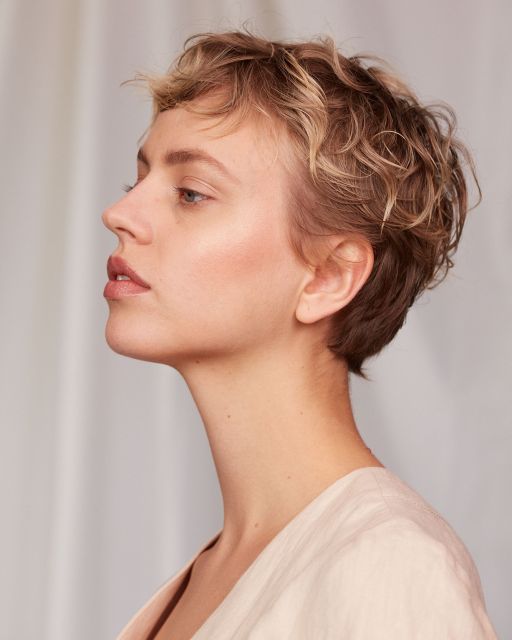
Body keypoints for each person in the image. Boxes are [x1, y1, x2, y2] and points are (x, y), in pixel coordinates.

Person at [102, 28, 498, 640]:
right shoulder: (218, 570)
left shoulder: (387, 569)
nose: (120, 214)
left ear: (328, 276)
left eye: (190, 193)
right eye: (139, 180)